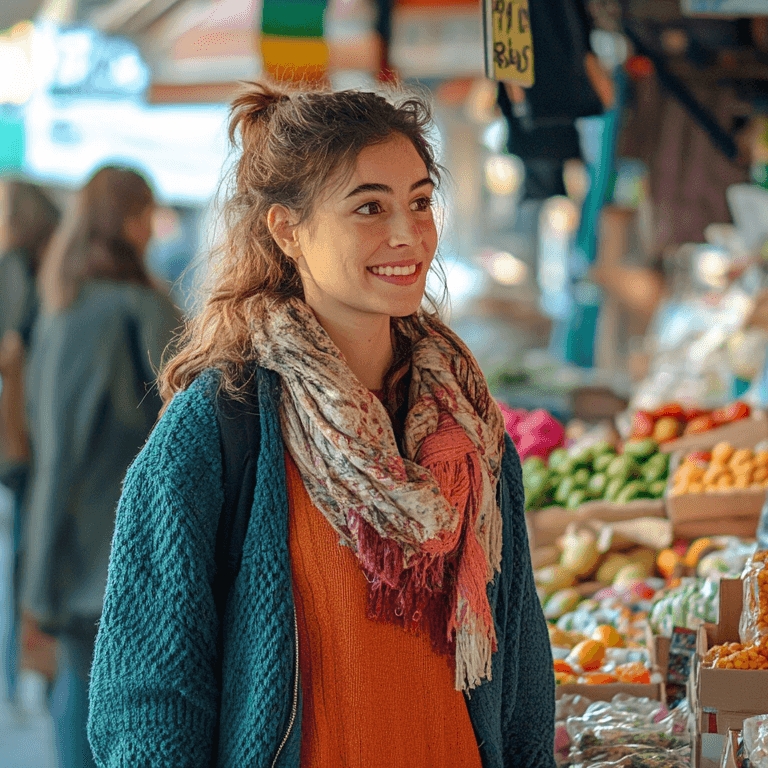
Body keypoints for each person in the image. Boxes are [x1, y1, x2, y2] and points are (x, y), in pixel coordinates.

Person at [88, 84, 555, 768]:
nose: (407, 234)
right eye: (370, 207)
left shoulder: (468, 428)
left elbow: (519, 673)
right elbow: (147, 698)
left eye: (420, 202)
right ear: (287, 230)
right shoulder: (222, 422)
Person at [21, 166, 179, 768]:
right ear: (132, 222)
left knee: (78, 690)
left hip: (63, 538)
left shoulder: (60, 304)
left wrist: (40, 563)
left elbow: (49, 441)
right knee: (120, 708)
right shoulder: (140, 307)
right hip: (125, 544)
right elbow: (188, 419)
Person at [0, 180, 60, 703]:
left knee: (25, 550)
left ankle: (20, 671)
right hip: (40, 428)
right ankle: (25, 670)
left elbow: (12, 346)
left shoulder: (18, 268)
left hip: (24, 434)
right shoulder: (52, 267)